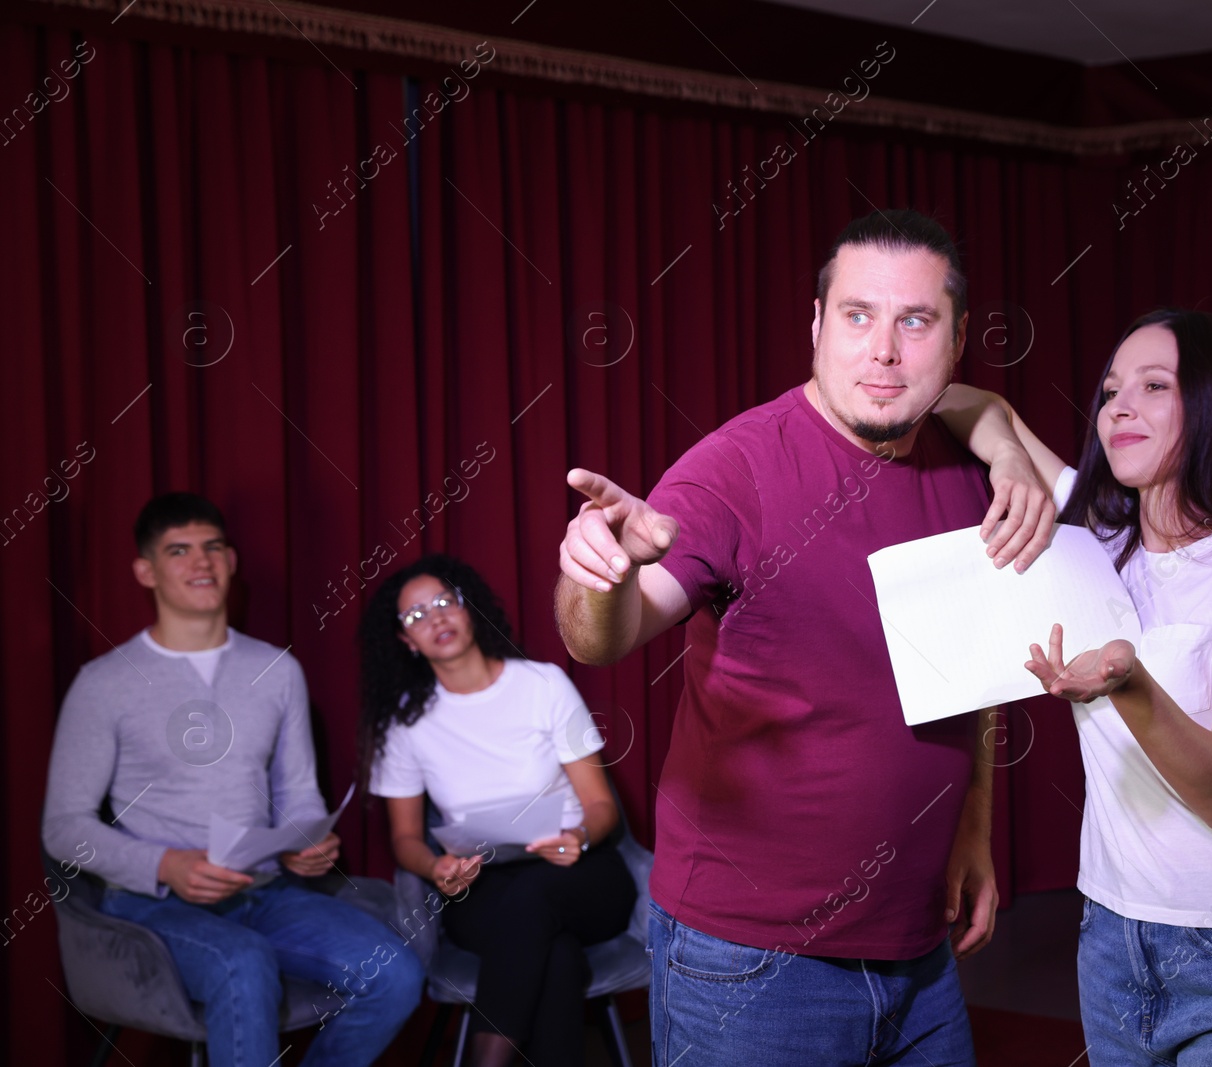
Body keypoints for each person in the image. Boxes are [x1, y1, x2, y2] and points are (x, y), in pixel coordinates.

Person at [555, 209, 1059, 1067]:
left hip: (919, 951)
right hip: (750, 962)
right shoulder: (736, 469)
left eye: (916, 321)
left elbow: (968, 678)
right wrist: (597, 575)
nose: (885, 351)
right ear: (818, 326)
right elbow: (606, 636)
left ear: (959, 336)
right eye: (858, 316)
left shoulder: (966, 461)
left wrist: (972, 832)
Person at [960, 309, 1212, 1065]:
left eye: (1154, 386)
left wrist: (1127, 683)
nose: (1119, 407)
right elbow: (967, 404)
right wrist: (1010, 463)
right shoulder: (1098, 543)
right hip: (1112, 938)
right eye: (1110, 390)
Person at [41, 492, 422, 1067]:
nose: (202, 562)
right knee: (242, 963)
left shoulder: (278, 671)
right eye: (180, 551)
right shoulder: (102, 684)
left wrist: (304, 846)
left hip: (265, 893)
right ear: (146, 571)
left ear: (232, 560)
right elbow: (63, 828)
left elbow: (297, 795)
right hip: (156, 905)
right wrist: (166, 864)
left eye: (213, 547)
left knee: (396, 973)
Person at [359, 554, 638, 1067]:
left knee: (536, 901)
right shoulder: (405, 723)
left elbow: (602, 808)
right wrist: (435, 868)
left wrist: (577, 837)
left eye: (444, 602)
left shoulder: (543, 684)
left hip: (581, 872)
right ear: (404, 641)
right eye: (416, 615)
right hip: (481, 886)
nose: (436, 618)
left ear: (469, 608)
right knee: (554, 955)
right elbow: (405, 840)